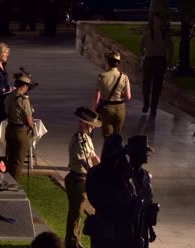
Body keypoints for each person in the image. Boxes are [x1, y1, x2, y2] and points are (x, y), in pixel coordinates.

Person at [85, 133, 135, 248]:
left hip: (118, 226)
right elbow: (96, 198)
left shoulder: (123, 174)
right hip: (104, 223)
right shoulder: (97, 174)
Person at [64, 106, 101, 248]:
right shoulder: (78, 140)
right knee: (75, 213)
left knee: (78, 213)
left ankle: (76, 240)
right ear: (82, 123)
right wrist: (95, 175)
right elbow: (85, 163)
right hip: (77, 180)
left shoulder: (86, 138)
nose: (92, 128)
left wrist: (103, 169)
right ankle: (71, 243)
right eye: (90, 125)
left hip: (82, 179)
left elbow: (93, 156)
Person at [126, 135, 159, 248]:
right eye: (145, 152)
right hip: (128, 226)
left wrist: (151, 228)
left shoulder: (147, 176)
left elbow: (149, 205)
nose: (147, 155)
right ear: (136, 153)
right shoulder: (124, 175)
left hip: (143, 226)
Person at [4, 70, 37, 182]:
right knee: (18, 160)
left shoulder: (8, 97)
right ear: (24, 86)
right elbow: (29, 121)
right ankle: (14, 183)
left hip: (9, 128)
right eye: (27, 86)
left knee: (9, 158)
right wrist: (31, 124)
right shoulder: (24, 100)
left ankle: (6, 180)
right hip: (20, 131)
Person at [140, 12, 173, 116]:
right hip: (151, 60)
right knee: (147, 85)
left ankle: (153, 108)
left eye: (160, 20)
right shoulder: (148, 33)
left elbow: (170, 49)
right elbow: (141, 46)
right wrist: (144, 55)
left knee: (156, 86)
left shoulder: (164, 34)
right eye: (158, 20)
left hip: (159, 61)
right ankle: (146, 104)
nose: (159, 22)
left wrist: (168, 61)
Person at [92, 50, 131, 137]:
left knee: (108, 138)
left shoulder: (102, 76)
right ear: (118, 63)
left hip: (107, 109)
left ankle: (109, 150)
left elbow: (96, 98)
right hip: (120, 109)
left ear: (107, 62)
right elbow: (128, 97)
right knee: (117, 137)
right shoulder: (124, 77)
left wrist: (93, 112)